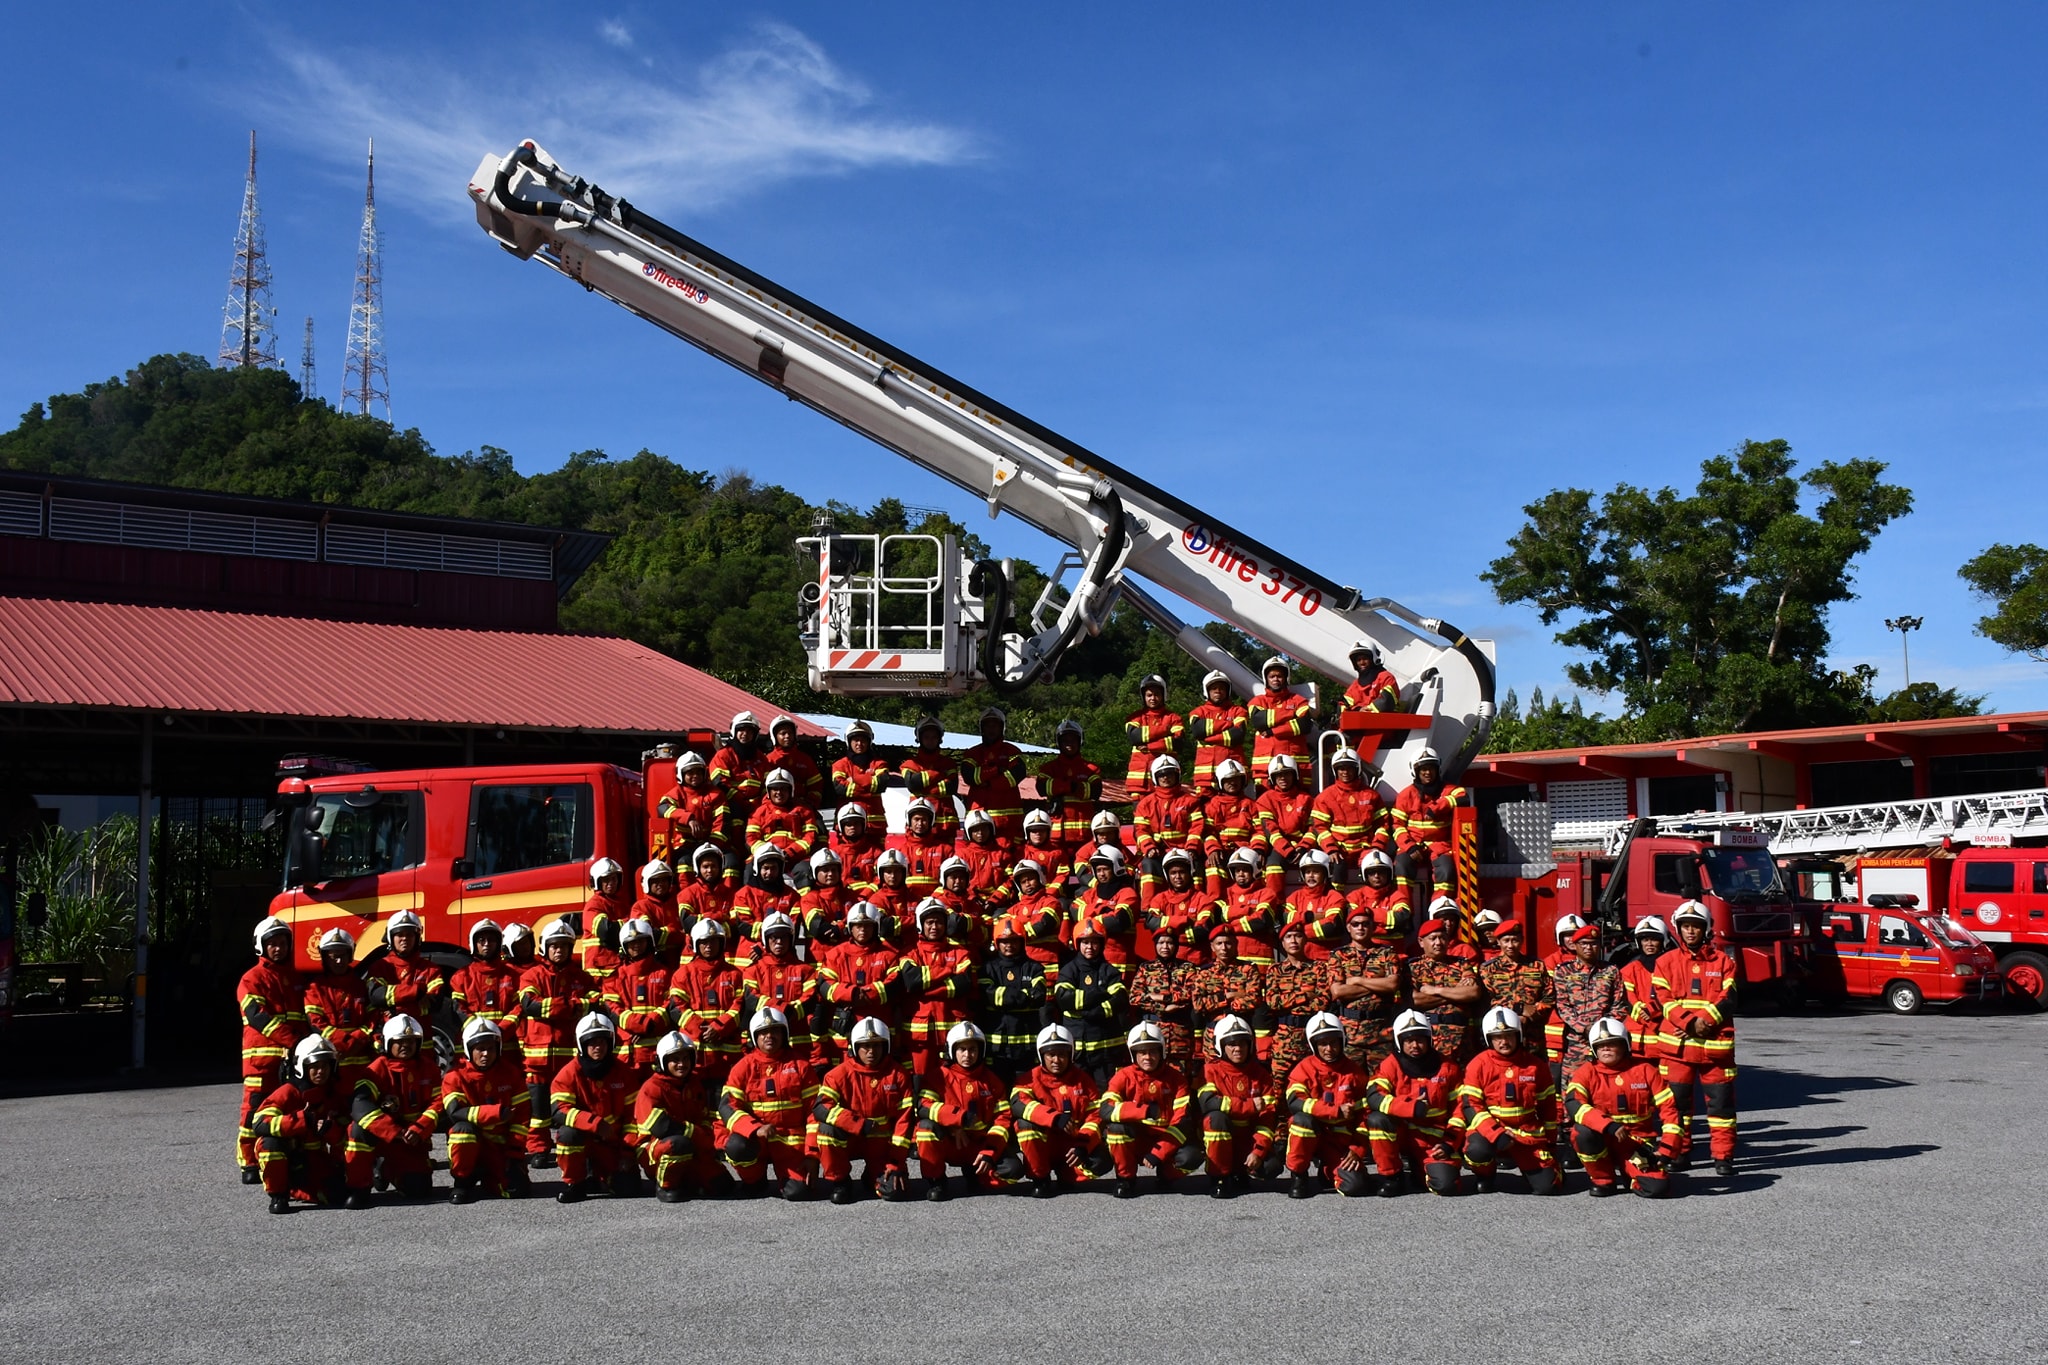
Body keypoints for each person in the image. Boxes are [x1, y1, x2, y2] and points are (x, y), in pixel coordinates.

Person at [1653, 900, 1739, 1176]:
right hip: (1677, 1050)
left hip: (1715, 1050)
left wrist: (1706, 1023)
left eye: (1696, 926)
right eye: (1686, 926)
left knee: (1721, 1107)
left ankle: (1723, 1157)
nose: (1691, 931)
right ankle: (1680, 1153)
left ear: (1706, 929)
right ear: (1678, 929)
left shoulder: (1725, 962)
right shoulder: (1664, 963)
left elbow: (1729, 998)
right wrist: (1692, 1024)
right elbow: (1664, 1000)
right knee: (1677, 1107)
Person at [1567, 1017, 1683, 1198]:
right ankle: (1603, 1179)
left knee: (1657, 1188)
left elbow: (1670, 1110)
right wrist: (1607, 1125)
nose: (1605, 1048)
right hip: (1603, 1138)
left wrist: (1667, 1149)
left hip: (1637, 1142)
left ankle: (1630, 1173)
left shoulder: (1646, 1070)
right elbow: (1574, 1104)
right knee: (1582, 1132)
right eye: (1600, 1044)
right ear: (1593, 1049)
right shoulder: (1586, 1072)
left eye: (1612, 1043)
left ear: (1625, 1045)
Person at [517, 919, 602, 1164]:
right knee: (538, 1107)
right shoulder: (531, 976)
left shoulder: (581, 977)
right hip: (538, 1056)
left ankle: (574, 1141)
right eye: (554, 945)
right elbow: (529, 1006)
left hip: (570, 1057)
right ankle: (538, 1147)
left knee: (574, 1102)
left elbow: (596, 1002)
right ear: (545, 947)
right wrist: (569, 1005)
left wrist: (565, 1006)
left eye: (564, 945)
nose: (559, 950)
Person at [1455, 1006, 1561, 1195]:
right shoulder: (1478, 1065)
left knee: (1547, 1187)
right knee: (1476, 1151)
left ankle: (1551, 1169)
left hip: (1526, 1133)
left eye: (1509, 1035)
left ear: (1518, 1035)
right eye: (1497, 1037)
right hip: (1491, 1130)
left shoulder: (1536, 1066)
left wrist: (1551, 1141)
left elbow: (1548, 1107)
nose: (1504, 1041)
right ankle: (1485, 1176)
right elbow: (1471, 1105)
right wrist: (1496, 1135)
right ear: (1489, 1039)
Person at [721, 1006, 823, 1199]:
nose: (769, 1036)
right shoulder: (742, 1067)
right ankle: (754, 1181)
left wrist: (811, 1154)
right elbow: (727, 1106)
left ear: (784, 1034)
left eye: (775, 1031)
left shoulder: (801, 1066)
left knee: (798, 1193)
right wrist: (753, 1129)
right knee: (737, 1146)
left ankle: (789, 1179)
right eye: (763, 1032)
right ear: (754, 1037)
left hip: (790, 1141)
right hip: (757, 1138)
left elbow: (814, 1113)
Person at [343, 1014, 443, 1208]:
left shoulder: (429, 1068)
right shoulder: (376, 1069)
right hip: (385, 1136)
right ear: (388, 1044)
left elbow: (438, 1103)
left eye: (411, 1041)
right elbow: (360, 1106)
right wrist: (393, 1131)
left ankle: (388, 1170)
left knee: (418, 1190)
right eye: (400, 1042)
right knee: (357, 1130)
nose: (406, 1046)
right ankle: (359, 1188)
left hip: (412, 1138)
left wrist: (420, 1128)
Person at [815, 1016, 915, 1204]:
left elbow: (905, 1121)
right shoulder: (837, 1075)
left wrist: (896, 1161)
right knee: (826, 1130)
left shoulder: (899, 1075)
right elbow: (821, 1108)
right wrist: (857, 1124)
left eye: (877, 1045)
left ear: (886, 1046)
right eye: (865, 1046)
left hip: (881, 1146)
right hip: (849, 1140)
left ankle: (872, 1176)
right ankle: (841, 1182)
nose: (871, 1051)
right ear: (854, 1047)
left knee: (894, 1193)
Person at [238, 916, 308, 1182]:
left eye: (282, 943)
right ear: (261, 946)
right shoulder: (251, 979)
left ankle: (285, 1155)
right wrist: (296, 1042)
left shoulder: (296, 978)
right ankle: (249, 1161)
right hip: (261, 1061)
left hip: (293, 1061)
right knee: (253, 1111)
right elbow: (259, 1017)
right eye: (272, 944)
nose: (278, 948)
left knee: (289, 1110)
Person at [1365, 1010, 1463, 1197]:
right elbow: (1374, 1096)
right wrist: (1409, 1107)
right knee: (1377, 1119)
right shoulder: (1390, 1065)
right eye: (1408, 1040)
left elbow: (1460, 1110)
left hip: (1432, 1140)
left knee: (1447, 1186)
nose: (1415, 1045)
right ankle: (1392, 1176)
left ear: (1429, 1040)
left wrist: (1449, 1144)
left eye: (1420, 1039)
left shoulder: (1448, 1068)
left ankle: (1420, 1170)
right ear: (1399, 1042)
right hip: (1401, 1134)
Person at [550, 1012, 644, 1203]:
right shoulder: (569, 1073)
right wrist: (593, 1123)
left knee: (629, 1188)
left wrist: (627, 1154)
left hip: (613, 1144)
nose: (597, 1047)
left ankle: (600, 1177)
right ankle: (575, 1184)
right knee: (568, 1134)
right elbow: (560, 1110)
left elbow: (633, 1118)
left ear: (611, 1043)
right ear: (581, 1044)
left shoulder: (624, 1073)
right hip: (584, 1140)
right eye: (591, 1043)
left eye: (602, 1042)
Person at [915, 1021, 1014, 1199]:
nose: (967, 1054)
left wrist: (990, 1151)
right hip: (950, 1142)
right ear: (952, 1051)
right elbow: (924, 1106)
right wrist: (956, 1121)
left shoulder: (992, 1081)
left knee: (1012, 1172)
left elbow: (1003, 1119)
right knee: (925, 1128)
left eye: (972, 1049)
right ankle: (936, 1181)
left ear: (980, 1051)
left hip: (979, 1145)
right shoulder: (937, 1077)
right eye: (962, 1049)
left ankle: (975, 1173)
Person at [252, 1034, 349, 1214]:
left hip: (314, 1158)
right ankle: (278, 1195)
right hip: (288, 1155)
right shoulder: (288, 1092)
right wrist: (303, 1121)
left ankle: (295, 1189)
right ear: (302, 1067)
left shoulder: (332, 1096)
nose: (321, 1071)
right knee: (269, 1144)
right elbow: (260, 1123)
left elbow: (345, 1136)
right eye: (315, 1067)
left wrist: (331, 1130)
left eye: (325, 1066)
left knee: (337, 1196)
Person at [1009, 1023, 1108, 1197]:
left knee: (1103, 1162)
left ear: (1070, 1054)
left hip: (1072, 1146)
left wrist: (1083, 1146)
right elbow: (1019, 1103)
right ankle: (1040, 1178)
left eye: (1062, 1054)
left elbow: (1096, 1117)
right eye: (1051, 1055)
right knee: (1024, 1125)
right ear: (1042, 1055)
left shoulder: (1083, 1080)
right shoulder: (1029, 1078)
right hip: (1044, 1145)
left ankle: (1068, 1176)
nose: (1056, 1060)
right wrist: (1053, 1118)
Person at [441, 1017, 532, 1203]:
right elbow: (455, 1112)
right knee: (462, 1131)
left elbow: (522, 1117)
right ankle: (462, 1182)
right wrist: (496, 1113)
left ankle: (489, 1177)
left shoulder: (511, 1073)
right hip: (472, 1141)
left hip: (501, 1147)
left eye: (490, 1048)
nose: (485, 1054)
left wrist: (514, 1155)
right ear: (469, 1049)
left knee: (516, 1189)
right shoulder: (454, 1076)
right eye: (479, 1049)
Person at [1283, 1011, 1372, 1198]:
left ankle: (1327, 1171)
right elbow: (1295, 1101)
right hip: (1311, 1136)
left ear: (1342, 1042)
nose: (1329, 1049)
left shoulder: (1355, 1073)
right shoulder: (1304, 1069)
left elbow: (1366, 1114)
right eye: (1323, 1044)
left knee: (1354, 1186)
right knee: (1301, 1121)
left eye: (1333, 1042)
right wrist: (1334, 1111)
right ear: (1313, 1045)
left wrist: (1357, 1149)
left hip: (1339, 1142)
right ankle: (1298, 1175)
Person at [1099, 1020, 1193, 1198]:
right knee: (1116, 1129)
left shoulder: (1177, 1079)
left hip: (1167, 1139)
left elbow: (1182, 1122)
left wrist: (1159, 1152)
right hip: (1135, 1140)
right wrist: (1142, 1111)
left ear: (1162, 1052)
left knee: (1192, 1157)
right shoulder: (1123, 1076)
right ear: (1134, 1054)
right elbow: (1106, 1110)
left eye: (1152, 1051)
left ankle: (1166, 1176)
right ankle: (1125, 1180)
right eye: (1142, 1052)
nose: (1147, 1057)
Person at [630, 1030, 719, 1203]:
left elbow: (705, 1117)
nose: (681, 1064)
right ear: (663, 1062)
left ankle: (687, 1179)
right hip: (654, 1149)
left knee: (722, 1186)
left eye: (686, 1059)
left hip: (691, 1145)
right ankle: (666, 1186)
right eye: (675, 1060)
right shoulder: (652, 1087)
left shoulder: (694, 1084)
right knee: (678, 1144)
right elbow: (662, 1127)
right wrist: (697, 1134)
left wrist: (707, 1143)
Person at [1196, 1014, 1279, 1199]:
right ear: (1221, 1046)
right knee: (1216, 1118)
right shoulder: (1209, 1071)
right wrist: (1249, 1106)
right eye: (1232, 1044)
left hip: (1248, 1141)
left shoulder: (1261, 1075)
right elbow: (1209, 1103)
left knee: (1272, 1166)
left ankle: (1240, 1173)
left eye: (1242, 1043)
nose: (1238, 1049)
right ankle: (1219, 1177)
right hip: (1222, 1137)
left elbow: (1267, 1118)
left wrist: (1258, 1151)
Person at [1548, 922, 1625, 1115]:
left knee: (1605, 1086)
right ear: (1575, 946)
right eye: (1583, 944)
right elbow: (1562, 1005)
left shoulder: (1611, 971)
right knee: (1572, 1088)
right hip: (1576, 1042)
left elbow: (1619, 1004)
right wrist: (1583, 1027)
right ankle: (1569, 1127)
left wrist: (1602, 1029)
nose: (1588, 948)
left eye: (1593, 943)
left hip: (1604, 1041)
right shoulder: (1563, 972)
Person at [817, 902, 906, 1060]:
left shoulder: (889, 955)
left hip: (880, 1027)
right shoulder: (835, 954)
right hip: (845, 1033)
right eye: (858, 926)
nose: (862, 930)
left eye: (867, 925)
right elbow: (825, 985)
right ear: (850, 928)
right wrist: (852, 994)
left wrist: (866, 994)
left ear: (876, 927)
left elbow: (894, 984)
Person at [668, 919, 747, 1095]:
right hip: (695, 1057)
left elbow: (740, 1006)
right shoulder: (683, 974)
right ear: (696, 945)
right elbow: (677, 1007)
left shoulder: (735, 975)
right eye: (704, 942)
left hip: (726, 1056)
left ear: (722, 943)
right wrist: (702, 1029)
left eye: (713, 941)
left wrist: (719, 1028)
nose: (709, 946)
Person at [903, 899, 977, 1084]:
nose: (934, 926)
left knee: (953, 1082)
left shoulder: (961, 952)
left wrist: (926, 987)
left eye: (939, 922)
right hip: (921, 1039)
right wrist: (946, 971)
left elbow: (964, 985)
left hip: (954, 1032)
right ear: (921, 924)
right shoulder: (909, 954)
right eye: (929, 922)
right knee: (921, 1082)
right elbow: (912, 983)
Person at [1328, 906, 1405, 1071]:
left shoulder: (1386, 953)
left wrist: (1357, 980)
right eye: (1355, 924)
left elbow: (1392, 985)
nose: (1360, 928)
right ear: (1349, 928)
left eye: (1365, 924)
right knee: (1352, 1083)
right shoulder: (1338, 955)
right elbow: (1338, 991)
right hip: (1350, 1034)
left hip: (1381, 1033)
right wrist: (1378, 984)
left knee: (1381, 1082)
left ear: (1373, 927)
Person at [1053, 917, 1128, 1082]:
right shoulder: (1069, 970)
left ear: (1101, 944)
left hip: (1106, 1052)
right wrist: (1098, 994)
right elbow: (1064, 998)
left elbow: (1120, 999)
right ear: (1078, 944)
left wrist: (1100, 1011)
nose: (1090, 947)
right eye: (1085, 942)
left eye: (1094, 942)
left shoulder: (1109, 971)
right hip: (1079, 1053)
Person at [1391, 747, 1467, 905]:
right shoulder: (1406, 795)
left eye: (1431, 768)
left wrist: (1438, 806)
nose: (1427, 773)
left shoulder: (1447, 790)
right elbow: (1397, 826)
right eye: (1423, 769)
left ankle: (1439, 911)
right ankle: (1404, 911)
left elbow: (1462, 796)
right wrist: (1409, 846)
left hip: (1439, 846)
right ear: (1416, 771)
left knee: (1447, 872)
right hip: (1412, 845)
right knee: (1401, 867)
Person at [1127, 923, 1203, 1082]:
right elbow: (1135, 997)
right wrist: (1164, 1007)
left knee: (1182, 1079)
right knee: (1153, 1077)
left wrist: (1161, 997)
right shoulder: (1146, 968)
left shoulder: (1188, 968)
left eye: (1169, 943)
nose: (1165, 947)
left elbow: (1192, 993)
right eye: (1161, 943)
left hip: (1180, 1033)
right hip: (1154, 1031)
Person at [740, 911, 820, 1060]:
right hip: (764, 1043)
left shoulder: (806, 970)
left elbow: (809, 999)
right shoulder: (752, 971)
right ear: (765, 939)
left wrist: (790, 1012)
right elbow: (752, 998)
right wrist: (783, 1010)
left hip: (798, 1043)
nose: (779, 942)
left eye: (784, 937)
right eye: (774, 937)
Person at [303, 926, 375, 1091]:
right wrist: (347, 1042)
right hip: (331, 1066)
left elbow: (373, 1017)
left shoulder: (361, 986)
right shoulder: (315, 988)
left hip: (362, 1065)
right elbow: (315, 1023)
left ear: (350, 955)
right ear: (324, 958)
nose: (338, 961)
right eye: (333, 957)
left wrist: (359, 1036)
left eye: (343, 956)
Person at [981, 920, 1050, 1083]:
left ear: (1022, 942)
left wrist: (1005, 998)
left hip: (1026, 1049)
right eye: (1004, 941)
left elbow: (1039, 996)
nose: (1009, 945)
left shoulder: (1034, 968)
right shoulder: (988, 968)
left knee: (1026, 1091)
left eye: (1013, 941)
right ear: (997, 943)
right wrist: (1024, 997)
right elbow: (988, 996)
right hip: (997, 1049)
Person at [1407, 916, 1482, 1061]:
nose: (1438, 943)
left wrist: (1436, 990)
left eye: (1442, 938)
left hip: (1461, 1038)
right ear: (1421, 942)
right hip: (1429, 1038)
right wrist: (1456, 992)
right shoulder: (1413, 968)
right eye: (1433, 938)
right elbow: (1416, 1000)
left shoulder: (1461, 965)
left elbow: (1473, 992)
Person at [1477, 919, 1555, 1057]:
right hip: (1500, 1036)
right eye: (1506, 941)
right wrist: (1516, 1012)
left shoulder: (1537, 966)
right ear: (1498, 941)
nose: (1511, 945)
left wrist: (1531, 1013)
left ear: (1522, 940)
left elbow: (1549, 996)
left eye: (1515, 940)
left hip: (1532, 1037)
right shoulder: (1488, 969)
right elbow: (1484, 1001)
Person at [1132, 755, 1206, 897]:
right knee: (1148, 864)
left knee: (1196, 865)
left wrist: (1192, 847)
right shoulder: (1146, 804)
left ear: (1177, 775)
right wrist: (1149, 847)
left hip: (1185, 849)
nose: (1166, 778)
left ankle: (1198, 903)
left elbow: (1196, 827)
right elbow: (1141, 831)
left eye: (1169, 774)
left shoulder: (1190, 801)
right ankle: (1149, 910)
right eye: (1161, 775)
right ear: (1155, 778)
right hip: (1159, 851)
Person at [1192, 923, 1269, 1058]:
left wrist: (1218, 1004)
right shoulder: (1204, 972)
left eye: (1228, 943)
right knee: (1215, 1072)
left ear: (1236, 944)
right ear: (1212, 947)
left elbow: (1254, 999)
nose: (1224, 948)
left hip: (1242, 1030)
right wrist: (1228, 996)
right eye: (1219, 943)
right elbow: (1198, 1004)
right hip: (1213, 1032)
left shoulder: (1248, 969)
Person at [1311, 748, 1391, 875]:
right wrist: (1331, 849)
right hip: (1339, 850)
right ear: (1335, 770)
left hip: (1366, 849)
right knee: (1337, 871)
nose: (1345, 772)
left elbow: (1382, 825)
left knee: (1375, 869)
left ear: (1357, 769)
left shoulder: (1371, 795)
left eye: (1349, 768)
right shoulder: (1325, 797)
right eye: (1341, 768)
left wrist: (1377, 847)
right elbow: (1320, 827)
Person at [607, 918, 673, 1070]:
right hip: (628, 1054)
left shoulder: (664, 973)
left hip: (658, 1052)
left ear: (649, 942)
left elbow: (671, 1003)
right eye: (631, 942)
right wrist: (640, 1026)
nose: (636, 945)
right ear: (624, 946)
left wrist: (650, 1025)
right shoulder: (615, 976)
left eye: (640, 941)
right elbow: (613, 1008)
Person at [1266, 922, 1329, 1080]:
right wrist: (1306, 996)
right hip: (1283, 1039)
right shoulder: (1275, 970)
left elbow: (1323, 1002)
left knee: (1311, 1081)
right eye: (1288, 937)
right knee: (1279, 1085)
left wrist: (1288, 1001)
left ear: (1305, 940)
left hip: (1310, 1036)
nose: (1293, 940)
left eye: (1298, 936)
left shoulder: (1318, 968)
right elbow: (1273, 1002)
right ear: (1282, 943)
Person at [364, 907, 447, 1027]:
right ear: (390, 938)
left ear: (417, 938)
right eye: (399, 934)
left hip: (423, 1042)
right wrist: (416, 992)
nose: (404, 938)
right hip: (391, 1039)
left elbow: (434, 1004)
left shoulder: (431, 970)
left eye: (409, 935)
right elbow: (377, 996)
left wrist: (396, 1009)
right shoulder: (380, 967)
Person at [449, 920, 523, 1049]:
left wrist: (501, 1030)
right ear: (473, 943)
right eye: (481, 940)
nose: (487, 944)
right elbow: (458, 1009)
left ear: (499, 943)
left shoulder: (513, 976)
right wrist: (479, 1031)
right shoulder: (461, 977)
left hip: (506, 1046)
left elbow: (518, 1008)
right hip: (474, 1045)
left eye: (491, 940)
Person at [1037, 719, 1103, 857]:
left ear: (1080, 742)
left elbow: (1096, 791)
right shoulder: (1048, 768)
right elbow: (1041, 788)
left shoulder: (1091, 769)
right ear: (1059, 743)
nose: (1069, 744)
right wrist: (1073, 786)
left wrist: (1058, 786)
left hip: (1084, 837)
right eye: (1065, 740)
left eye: (1073, 740)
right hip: (1056, 837)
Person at [959, 707, 1027, 839]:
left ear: (1002, 728)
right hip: (978, 824)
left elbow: (1017, 774)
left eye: (995, 725)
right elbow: (970, 777)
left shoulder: (1012, 751)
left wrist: (987, 782)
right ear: (982, 729)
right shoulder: (972, 753)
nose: (991, 729)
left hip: (1009, 825)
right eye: (988, 725)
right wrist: (997, 770)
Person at [992, 859, 1065, 982]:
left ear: (1040, 878)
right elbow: (999, 929)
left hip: (1046, 963)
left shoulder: (1051, 902)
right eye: (1023, 882)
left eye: (1031, 879)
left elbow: (1042, 925)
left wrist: (1016, 930)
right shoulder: (1014, 909)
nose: (1027, 884)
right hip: (1021, 965)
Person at [1143, 849, 1221, 962]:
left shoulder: (1203, 900)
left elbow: (1202, 931)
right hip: (1169, 965)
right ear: (1167, 875)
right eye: (1173, 873)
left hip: (1197, 963)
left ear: (1190, 872)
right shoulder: (1159, 899)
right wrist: (1187, 920)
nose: (1178, 876)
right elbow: (1152, 923)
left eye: (1182, 872)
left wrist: (1168, 929)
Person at [1071, 845, 1141, 970]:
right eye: (1098, 870)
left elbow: (1118, 921)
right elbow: (1074, 910)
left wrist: (1089, 918)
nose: (1101, 874)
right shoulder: (1090, 893)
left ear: (1116, 868)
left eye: (1105, 869)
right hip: (1094, 961)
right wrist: (1103, 910)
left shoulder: (1128, 893)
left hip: (1120, 962)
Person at [656, 751, 729, 860]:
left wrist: (712, 847)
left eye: (698, 772)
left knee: (730, 863)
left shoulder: (716, 795)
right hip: (683, 845)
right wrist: (689, 818)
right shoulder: (676, 794)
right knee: (684, 863)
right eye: (690, 773)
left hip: (711, 844)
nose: (695, 776)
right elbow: (662, 808)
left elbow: (721, 824)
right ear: (681, 774)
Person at [1251, 756, 1315, 880]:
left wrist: (1303, 847)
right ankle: (1275, 899)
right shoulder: (1265, 800)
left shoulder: (1306, 799)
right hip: (1279, 846)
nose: (1283, 778)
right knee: (1273, 868)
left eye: (1286, 774)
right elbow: (1270, 830)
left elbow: (1312, 828)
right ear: (1272, 778)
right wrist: (1287, 850)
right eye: (1278, 775)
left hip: (1304, 846)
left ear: (1294, 775)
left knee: (1318, 865)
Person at [1247, 657, 1314, 775]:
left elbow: (1305, 724)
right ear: (1266, 679)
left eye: (1279, 676)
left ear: (1286, 678)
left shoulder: (1298, 700)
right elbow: (1259, 721)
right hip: (1265, 768)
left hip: (1296, 766)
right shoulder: (1257, 702)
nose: (1276, 679)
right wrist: (1290, 714)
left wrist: (1273, 731)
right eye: (1272, 676)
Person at [899, 716, 962, 839]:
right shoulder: (909, 764)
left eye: (934, 737)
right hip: (920, 825)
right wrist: (938, 774)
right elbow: (913, 786)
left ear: (940, 739)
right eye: (926, 737)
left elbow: (952, 787)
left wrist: (924, 788)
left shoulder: (949, 763)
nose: (930, 740)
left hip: (945, 826)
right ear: (919, 739)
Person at [731, 843, 798, 957]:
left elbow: (792, 927)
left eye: (774, 868)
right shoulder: (743, 895)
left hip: (783, 954)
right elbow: (745, 926)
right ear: (757, 868)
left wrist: (764, 946)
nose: (770, 873)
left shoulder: (793, 896)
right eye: (765, 868)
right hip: (750, 954)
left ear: (780, 869)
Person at [1123, 673, 1185, 796]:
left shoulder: (1174, 718)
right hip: (1139, 784)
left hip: (1166, 781)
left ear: (1163, 695)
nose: (1153, 698)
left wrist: (1150, 746)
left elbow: (1178, 742)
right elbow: (1134, 737)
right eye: (1149, 695)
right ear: (1143, 697)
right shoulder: (1135, 717)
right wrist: (1164, 730)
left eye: (1157, 694)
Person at [1186, 670, 1248, 792]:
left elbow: (1238, 735)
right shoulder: (1197, 712)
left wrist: (1209, 739)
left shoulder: (1239, 711)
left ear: (1227, 691)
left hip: (1233, 774)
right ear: (1207, 691)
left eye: (1221, 688)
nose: (1218, 691)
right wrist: (1229, 724)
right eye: (1213, 688)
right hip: (1205, 776)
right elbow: (1198, 732)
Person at [1216, 847, 1279, 967]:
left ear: (1254, 870)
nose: (1240, 874)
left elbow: (1261, 922)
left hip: (1260, 960)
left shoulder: (1267, 893)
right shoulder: (1226, 894)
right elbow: (1218, 919)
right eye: (1237, 870)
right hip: (1232, 960)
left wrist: (1230, 923)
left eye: (1245, 870)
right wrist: (1248, 911)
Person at [1278, 849, 1347, 958]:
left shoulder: (1334, 897)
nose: (1311, 876)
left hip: (1327, 959)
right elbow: (1286, 919)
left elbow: (1331, 927)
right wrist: (1310, 917)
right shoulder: (1294, 897)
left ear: (1326, 873)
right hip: (1300, 961)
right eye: (1307, 872)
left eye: (1316, 872)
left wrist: (1298, 931)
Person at [709, 710, 770, 833]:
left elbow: (767, 784)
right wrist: (740, 801)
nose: (745, 734)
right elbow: (720, 782)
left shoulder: (761, 758)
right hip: (730, 805)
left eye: (749, 731)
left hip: (757, 806)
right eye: (741, 730)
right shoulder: (724, 755)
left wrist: (761, 803)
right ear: (734, 731)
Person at [745, 770, 823, 864]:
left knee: (804, 870)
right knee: (749, 869)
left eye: (783, 789)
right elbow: (751, 839)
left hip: (796, 858)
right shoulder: (759, 812)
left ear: (791, 790)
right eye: (775, 789)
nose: (779, 792)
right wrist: (768, 852)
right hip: (766, 858)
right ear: (768, 791)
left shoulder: (804, 811)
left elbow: (810, 837)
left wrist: (790, 852)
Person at [1620, 917, 1669, 1055]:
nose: (1649, 944)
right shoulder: (1629, 970)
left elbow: (1672, 998)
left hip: (1663, 1036)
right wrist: (1647, 1017)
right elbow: (1628, 999)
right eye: (1645, 940)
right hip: (1637, 1040)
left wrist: (1652, 1013)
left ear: (1662, 941)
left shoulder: (1672, 968)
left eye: (1654, 939)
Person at [1201, 758, 1261, 867]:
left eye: (1236, 779)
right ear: (1220, 782)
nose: (1233, 783)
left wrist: (1257, 849)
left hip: (1246, 851)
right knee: (1212, 870)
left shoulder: (1251, 805)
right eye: (1228, 780)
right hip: (1220, 851)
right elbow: (1208, 832)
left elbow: (1258, 832)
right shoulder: (1212, 805)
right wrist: (1213, 849)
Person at [892, 798, 956, 899]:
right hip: (908, 902)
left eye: (924, 820)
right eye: (916, 819)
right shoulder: (899, 851)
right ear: (909, 821)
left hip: (938, 902)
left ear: (931, 821)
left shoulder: (945, 850)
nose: (920, 824)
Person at [797, 850, 859, 952]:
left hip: (848, 957)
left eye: (834, 870)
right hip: (820, 961)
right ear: (814, 873)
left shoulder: (852, 896)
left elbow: (861, 926)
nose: (830, 874)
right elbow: (819, 928)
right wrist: (845, 928)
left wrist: (839, 927)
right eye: (825, 870)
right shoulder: (809, 899)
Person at [1347, 849, 1411, 945]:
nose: (1377, 876)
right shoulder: (1354, 897)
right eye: (1372, 872)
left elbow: (1402, 922)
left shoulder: (1398, 896)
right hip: (1362, 952)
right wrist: (1387, 927)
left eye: (1381, 872)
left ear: (1389, 874)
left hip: (1395, 953)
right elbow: (1353, 925)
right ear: (1365, 875)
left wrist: (1368, 913)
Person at [763, 714, 825, 808]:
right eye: (783, 733)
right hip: (775, 809)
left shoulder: (805, 759)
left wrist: (810, 803)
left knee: (819, 823)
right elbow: (763, 790)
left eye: (790, 733)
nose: (787, 736)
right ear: (775, 736)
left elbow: (816, 786)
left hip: (803, 807)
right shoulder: (768, 760)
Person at [954, 809, 1012, 903]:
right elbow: (958, 881)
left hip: (998, 903)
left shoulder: (1002, 854)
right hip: (970, 902)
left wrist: (995, 900)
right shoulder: (961, 856)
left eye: (984, 829)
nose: (980, 833)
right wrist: (973, 898)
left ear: (991, 829)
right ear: (969, 832)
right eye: (976, 830)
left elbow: (1010, 881)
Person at [830, 720, 893, 806]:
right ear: (849, 742)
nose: (859, 743)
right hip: (848, 816)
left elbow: (881, 784)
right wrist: (869, 785)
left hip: (874, 817)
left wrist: (854, 779)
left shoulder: (880, 764)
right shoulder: (839, 765)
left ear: (869, 742)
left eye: (863, 740)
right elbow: (841, 789)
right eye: (856, 740)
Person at [828, 805, 888, 893]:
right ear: (841, 827)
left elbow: (880, 878)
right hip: (843, 900)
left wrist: (866, 894)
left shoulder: (875, 853)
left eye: (856, 823)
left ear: (863, 825)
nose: (852, 827)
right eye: (848, 824)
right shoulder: (834, 854)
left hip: (868, 899)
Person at [1343, 641, 1400, 715]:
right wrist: (1358, 710)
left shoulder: (1386, 677)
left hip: (1384, 723)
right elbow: (1343, 704)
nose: (1362, 662)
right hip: (1362, 724)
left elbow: (1386, 702)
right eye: (1358, 660)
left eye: (1365, 658)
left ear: (1373, 658)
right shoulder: (1355, 685)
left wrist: (1366, 711)